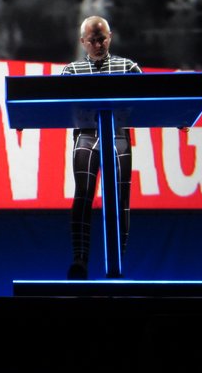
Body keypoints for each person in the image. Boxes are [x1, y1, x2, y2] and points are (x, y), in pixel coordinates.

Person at [61, 16, 141, 280]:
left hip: (117, 135)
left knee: (120, 198)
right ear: (83, 42)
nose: (98, 45)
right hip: (86, 135)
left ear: (110, 37)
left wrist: (178, 116)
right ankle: (79, 260)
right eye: (92, 40)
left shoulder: (128, 67)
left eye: (102, 39)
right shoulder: (72, 71)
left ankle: (116, 264)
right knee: (83, 193)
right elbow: (58, 105)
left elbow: (151, 98)